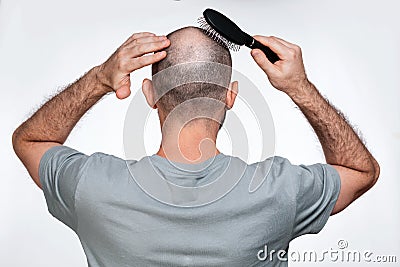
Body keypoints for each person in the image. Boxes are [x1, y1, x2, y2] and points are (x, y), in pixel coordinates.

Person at [12, 27, 379, 266]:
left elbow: (29, 140)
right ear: (231, 96)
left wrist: (99, 78)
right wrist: (299, 86)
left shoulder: (91, 186)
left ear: (150, 94)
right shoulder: (279, 191)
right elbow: (361, 172)